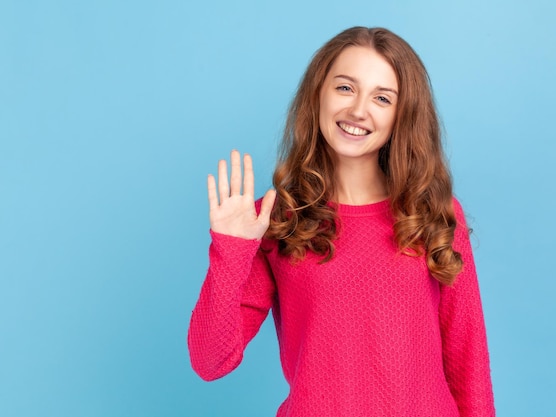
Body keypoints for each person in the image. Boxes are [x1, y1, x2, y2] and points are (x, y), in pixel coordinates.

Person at [188, 26, 495, 417]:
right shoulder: (276, 218)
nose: (358, 110)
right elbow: (209, 361)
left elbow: (468, 361)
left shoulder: (433, 211)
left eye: (382, 98)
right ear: (318, 94)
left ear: (402, 115)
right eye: (345, 88)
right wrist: (231, 249)